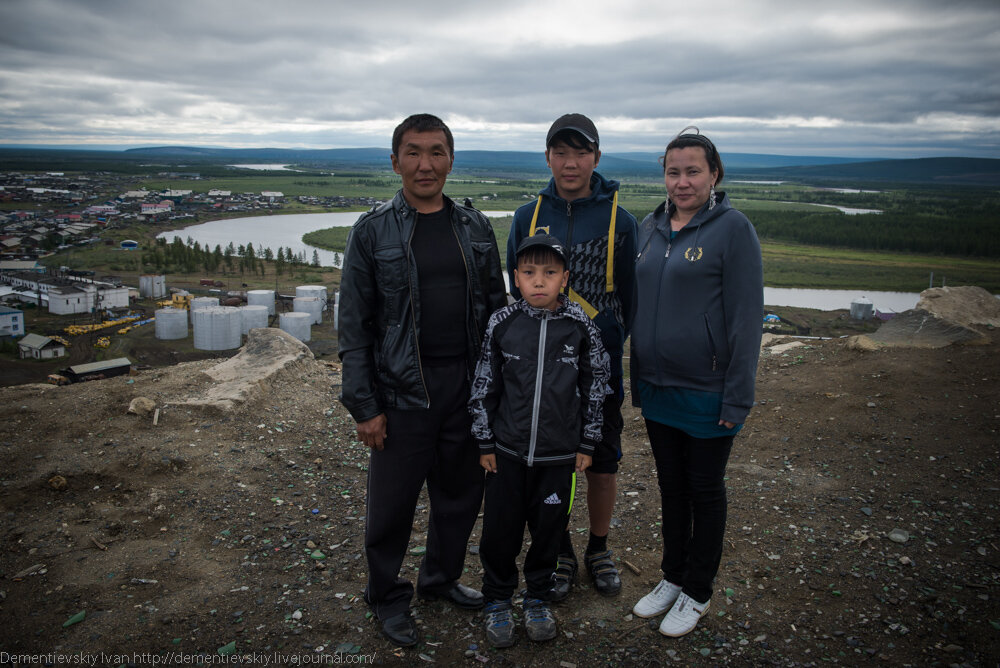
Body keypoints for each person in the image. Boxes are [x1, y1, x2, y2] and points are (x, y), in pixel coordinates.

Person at [338, 113, 507, 647]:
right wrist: (365, 405)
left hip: (465, 385)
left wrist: (496, 388)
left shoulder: (475, 228)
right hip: (402, 390)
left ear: (451, 160)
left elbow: (496, 308)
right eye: (413, 152)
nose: (425, 164)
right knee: (392, 504)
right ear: (395, 162)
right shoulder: (372, 231)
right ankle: (386, 595)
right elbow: (354, 326)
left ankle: (440, 580)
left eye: (436, 152)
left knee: (459, 496)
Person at [629, 127, 763, 637]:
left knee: (704, 490)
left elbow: (747, 319)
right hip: (660, 387)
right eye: (673, 171)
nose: (682, 181)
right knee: (670, 487)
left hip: (708, 389)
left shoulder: (733, 229)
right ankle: (672, 576)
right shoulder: (649, 227)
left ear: (714, 174)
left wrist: (738, 395)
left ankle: (698, 590)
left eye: (693, 171)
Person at [506, 113, 637, 599]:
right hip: (542, 369)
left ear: (596, 158)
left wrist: (614, 348)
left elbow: (630, 298)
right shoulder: (527, 218)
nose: (570, 162)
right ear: (548, 158)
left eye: (580, 152)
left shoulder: (621, 221)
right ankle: (557, 547)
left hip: (598, 369)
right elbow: (516, 292)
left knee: (603, 460)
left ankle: (597, 547)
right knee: (550, 461)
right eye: (560, 152)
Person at [469, 233, 611, 648]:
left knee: (550, 531)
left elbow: (597, 387)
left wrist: (587, 444)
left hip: (559, 457)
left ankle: (537, 598)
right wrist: (484, 443)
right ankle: (497, 599)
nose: (538, 282)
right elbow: (484, 386)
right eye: (529, 273)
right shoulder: (503, 323)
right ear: (516, 277)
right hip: (506, 454)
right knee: (500, 531)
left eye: (549, 273)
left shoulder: (581, 327)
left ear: (564, 279)